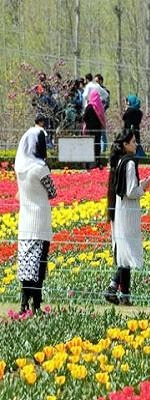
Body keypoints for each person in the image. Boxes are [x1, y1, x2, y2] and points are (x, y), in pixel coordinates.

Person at [104, 128, 150, 306]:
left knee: (125, 252)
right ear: (125, 145)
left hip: (120, 209)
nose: (136, 144)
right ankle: (121, 293)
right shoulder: (130, 163)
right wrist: (144, 187)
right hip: (128, 211)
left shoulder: (119, 162)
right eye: (133, 142)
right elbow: (131, 191)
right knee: (127, 253)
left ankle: (117, 290)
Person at [15, 115, 57, 314]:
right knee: (39, 266)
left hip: (24, 222)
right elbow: (53, 192)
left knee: (26, 266)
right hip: (39, 222)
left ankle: (23, 303)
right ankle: (36, 304)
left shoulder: (20, 169)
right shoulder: (40, 169)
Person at [82, 90, 106, 168]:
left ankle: (90, 163)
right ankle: (98, 162)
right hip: (98, 130)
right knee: (97, 144)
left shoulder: (89, 107)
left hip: (89, 130)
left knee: (90, 145)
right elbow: (102, 118)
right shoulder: (100, 106)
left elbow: (84, 117)